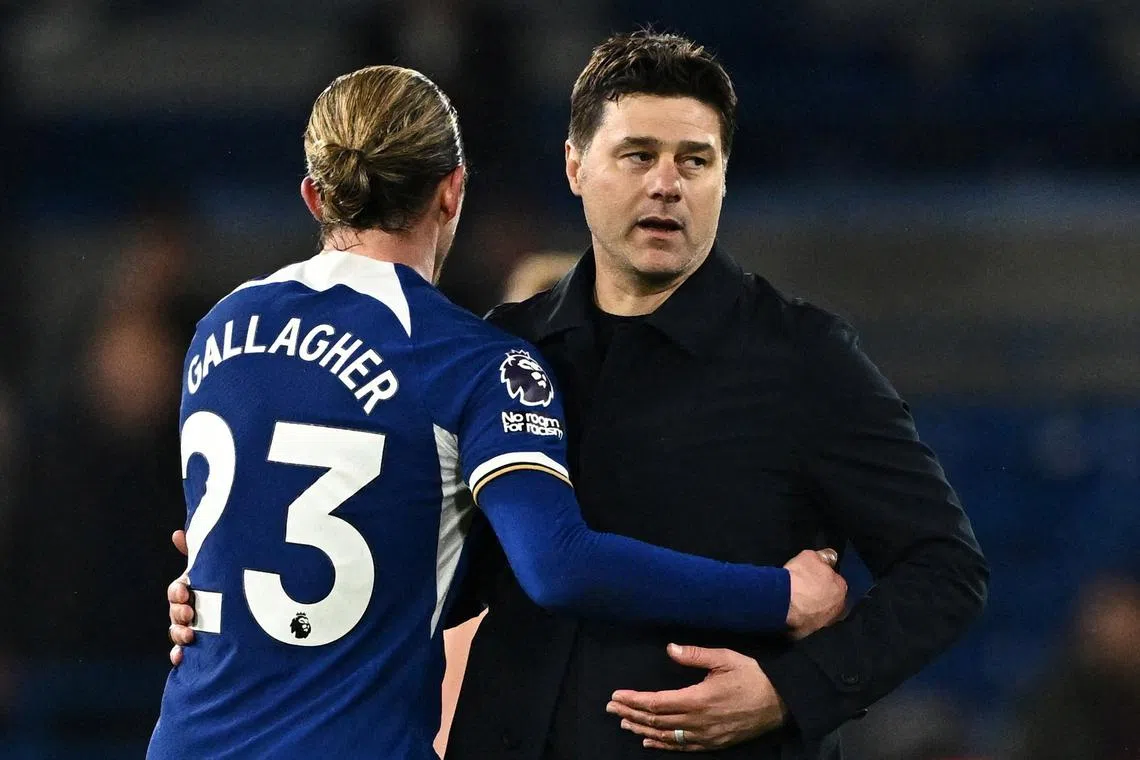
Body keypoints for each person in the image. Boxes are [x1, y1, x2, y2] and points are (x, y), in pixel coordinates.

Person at [149, 64, 848, 760]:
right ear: (453, 192)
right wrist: (781, 594)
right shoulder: (474, 362)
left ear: (313, 195)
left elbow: (230, 546)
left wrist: (204, 586)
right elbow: (559, 565)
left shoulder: (221, 327)